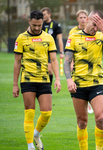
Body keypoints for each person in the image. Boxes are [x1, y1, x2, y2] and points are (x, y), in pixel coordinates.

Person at [64, 10, 103, 150]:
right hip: (79, 85)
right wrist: (69, 80)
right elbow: (66, 61)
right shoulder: (74, 37)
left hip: (96, 84)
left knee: (100, 118)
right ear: (87, 19)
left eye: (98, 26)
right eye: (94, 24)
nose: (95, 28)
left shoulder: (100, 36)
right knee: (82, 122)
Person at [12, 10, 61, 150]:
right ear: (29, 22)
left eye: (39, 25)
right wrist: (15, 84)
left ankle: (36, 134)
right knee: (29, 111)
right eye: (34, 25)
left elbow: (53, 60)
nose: (37, 28)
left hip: (44, 79)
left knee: (47, 113)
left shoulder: (48, 38)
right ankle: (30, 146)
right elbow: (17, 62)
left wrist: (57, 79)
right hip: (27, 79)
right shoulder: (21, 38)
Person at [68, 9, 93, 114]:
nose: (83, 20)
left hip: (90, 61)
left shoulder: (92, 30)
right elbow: (70, 49)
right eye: (81, 18)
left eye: (84, 17)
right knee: (79, 82)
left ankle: (91, 101)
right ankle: (83, 101)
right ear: (77, 19)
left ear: (87, 18)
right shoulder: (73, 32)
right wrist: (72, 62)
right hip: (78, 62)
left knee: (91, 80)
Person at [40, 7, 64, 86]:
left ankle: (48, 88)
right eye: (42, 15)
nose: (43, 16)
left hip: (50, 51)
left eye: (44, 14)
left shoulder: (55, 25)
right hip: (41, 51)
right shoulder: (39, 24)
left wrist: (61, 52)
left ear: (49, 14)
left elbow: (60, 39)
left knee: (49, 70)